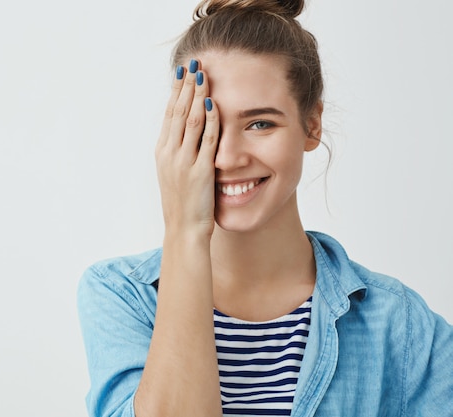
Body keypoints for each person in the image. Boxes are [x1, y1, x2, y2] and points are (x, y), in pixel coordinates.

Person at [77, 0, 453, 416]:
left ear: (312, 124)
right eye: (205, 126)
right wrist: (184, 231)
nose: (227, 158)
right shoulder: (120, 296)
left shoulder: (400, 324)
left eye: (260, 123)